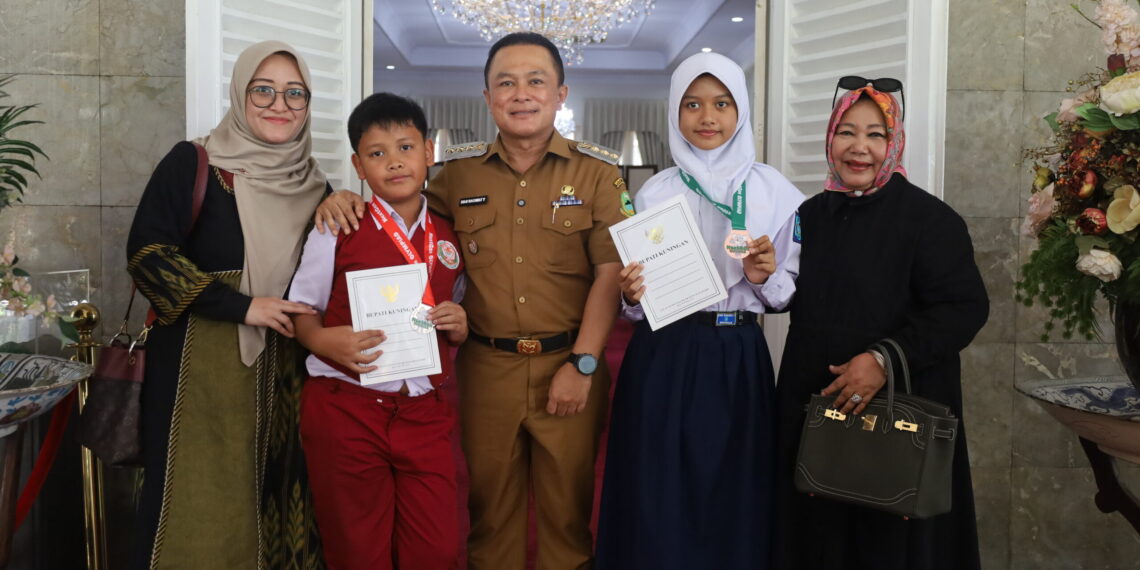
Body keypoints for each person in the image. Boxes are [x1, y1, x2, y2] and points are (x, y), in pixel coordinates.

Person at [314, 32, 627, 569]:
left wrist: (585, 361)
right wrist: (344, 196)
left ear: (561, 94)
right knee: (490, 517)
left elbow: (610, 272)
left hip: (570, 363)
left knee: (568, 517)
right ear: (487, 98)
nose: (521, 94)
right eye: (506, 83)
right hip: (487, 369)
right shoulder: (456, 175)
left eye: (536, 81)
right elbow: (400, 216)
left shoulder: (597, 173)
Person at [594, 52, 804, 569]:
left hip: (737, 353)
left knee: (735, 483)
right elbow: (635, 309)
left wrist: (765, 276)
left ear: (741, 110)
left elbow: (789, 295)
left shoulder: (775, 191)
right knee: (659, 484)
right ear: (674, 111)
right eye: (692, 104)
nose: (706, 117)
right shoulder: (654, 191)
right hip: (665, 352)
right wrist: (632, 294)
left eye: (721, 103)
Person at [126, 41, 328, 569]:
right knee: (200, 503)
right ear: (240, 93)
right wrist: (242, 307)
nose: (279, 104)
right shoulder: (193, 163)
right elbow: (148, 256)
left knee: (279, 501)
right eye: (263, 90)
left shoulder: (318, 187)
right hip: (199, 378)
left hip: (288, 380)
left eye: (294, 93)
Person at [773, 79, 988, 569]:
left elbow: (963, 308)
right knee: (818, 544)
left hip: (898, 429)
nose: (860, 148)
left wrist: (883, 359)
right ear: (830, 138)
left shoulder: (931, 221)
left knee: (890, 551)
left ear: (895, 142)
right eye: (847, 132)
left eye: (876, 135)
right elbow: (790, 295)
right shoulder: (811, 215)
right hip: (817, 420)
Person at [287, 93, 467, 570]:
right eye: (377, 153)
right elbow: (302, 308)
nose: (394, 162)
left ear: (429, 153)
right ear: (358, 165)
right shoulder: (337, 225)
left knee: (436, 548)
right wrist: (321, 340)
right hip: (348, 408)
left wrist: (461, 324)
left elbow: (459, 308)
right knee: (357, 548)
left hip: (423, 411)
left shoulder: (449, 235)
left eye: (406, 147)